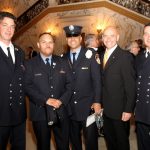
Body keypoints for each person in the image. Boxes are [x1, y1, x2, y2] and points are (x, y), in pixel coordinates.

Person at [24, 32, 72, 150]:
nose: (48, 45)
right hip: (40, 112)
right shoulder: (30, 64)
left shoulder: (63, 62)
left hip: (61, 110)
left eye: (50, 42)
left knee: (63, 145)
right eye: (44, 42)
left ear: (54, 45)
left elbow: (70, 84)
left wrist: (61, 100)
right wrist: (46, 100)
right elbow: (27, 86)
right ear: (38, 44)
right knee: (43, 145)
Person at [63, 25, 102, 150]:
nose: (72, 38)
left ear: (80, 38)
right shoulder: (63, 58)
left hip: (88, 107)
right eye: (69, 36)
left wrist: (97, 101)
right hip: (69, 108)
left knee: (91, 142)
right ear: (66, 39)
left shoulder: (91, 55)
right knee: (74, 142)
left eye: (75, 36)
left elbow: (97, 81)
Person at [101, 26, 136, 150]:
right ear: (102, 38)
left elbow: (131, 86)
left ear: (117, 37)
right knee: (110, 141)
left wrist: (128, 109)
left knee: (121, 143)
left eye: (112, 35)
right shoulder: (100, 56)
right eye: (105, 35)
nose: (108, 38)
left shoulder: (125, 56)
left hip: (120, 111)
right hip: (105, 110)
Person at [0, 11, 26, 150]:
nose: (9, 29)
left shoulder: (19, 51)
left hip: (19, 114)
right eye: (5, 25)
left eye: (12, 26)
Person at [135, 22, 150, 150]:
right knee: (143, 145)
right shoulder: (139, 57)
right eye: (146, 34)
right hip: (141, 111)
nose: (148, 37)